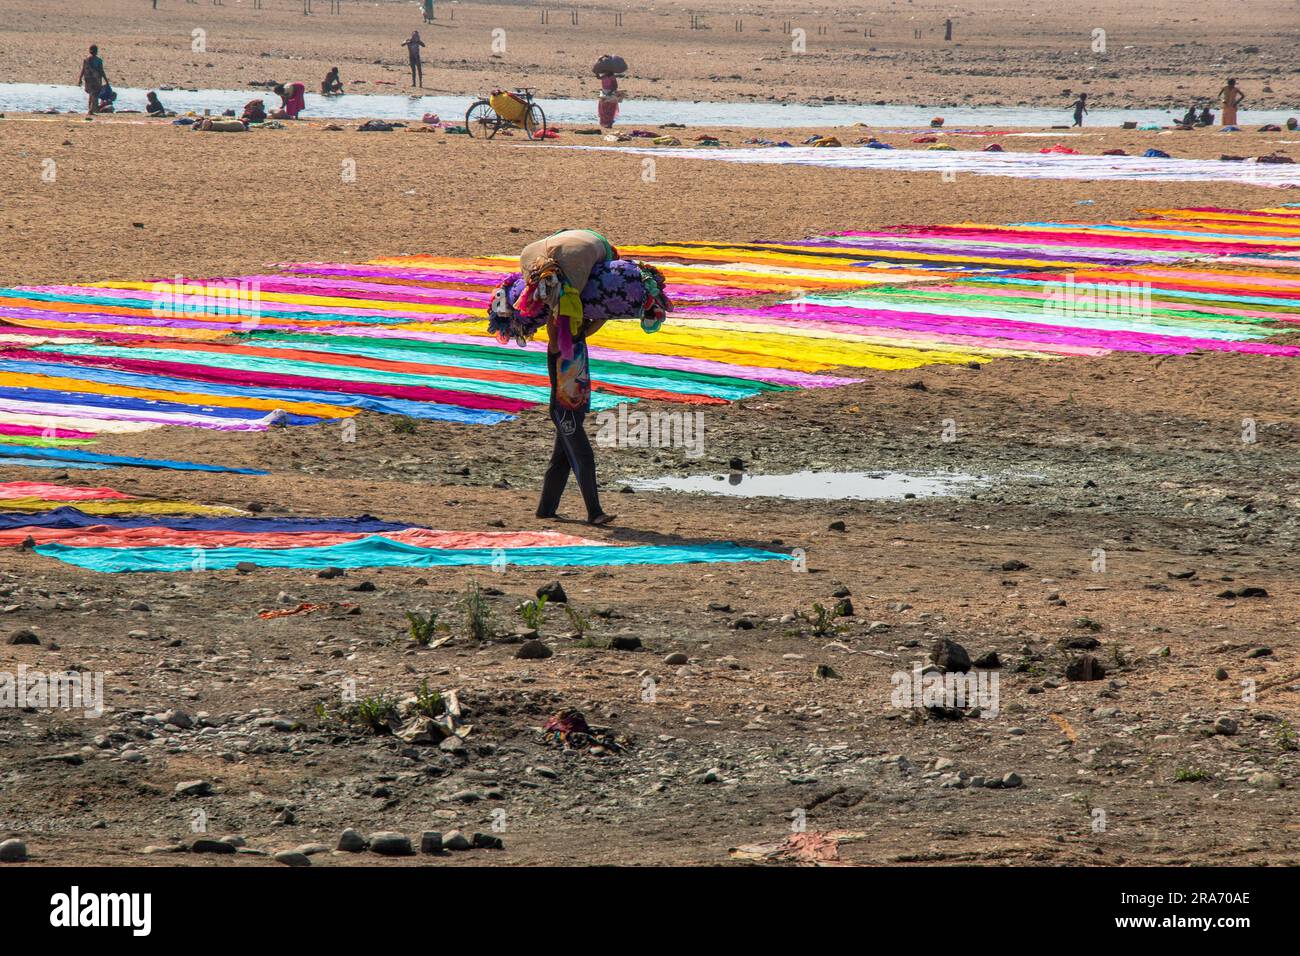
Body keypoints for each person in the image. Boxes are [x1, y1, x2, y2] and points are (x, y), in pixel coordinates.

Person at [523, 230, 618, 526]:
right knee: (582, 455)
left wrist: (601, 315)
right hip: (564, 406)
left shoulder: (576, 333)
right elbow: (564, 325)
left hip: (572, 403)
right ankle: (595, 512)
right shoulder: (558, 335)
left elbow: (588, 324)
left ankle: (545, 510)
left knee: (561, 458)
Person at [76, 44, 108, 115]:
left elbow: (83, 70)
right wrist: (106, 80)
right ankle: (91, 110)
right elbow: (101, 71)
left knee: (91, 94)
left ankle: (90, 109)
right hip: (96, 80)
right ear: (96, 51)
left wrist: (80, 79)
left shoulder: (86, 60)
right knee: (95, 95)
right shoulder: (99, 60)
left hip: (88, 79)